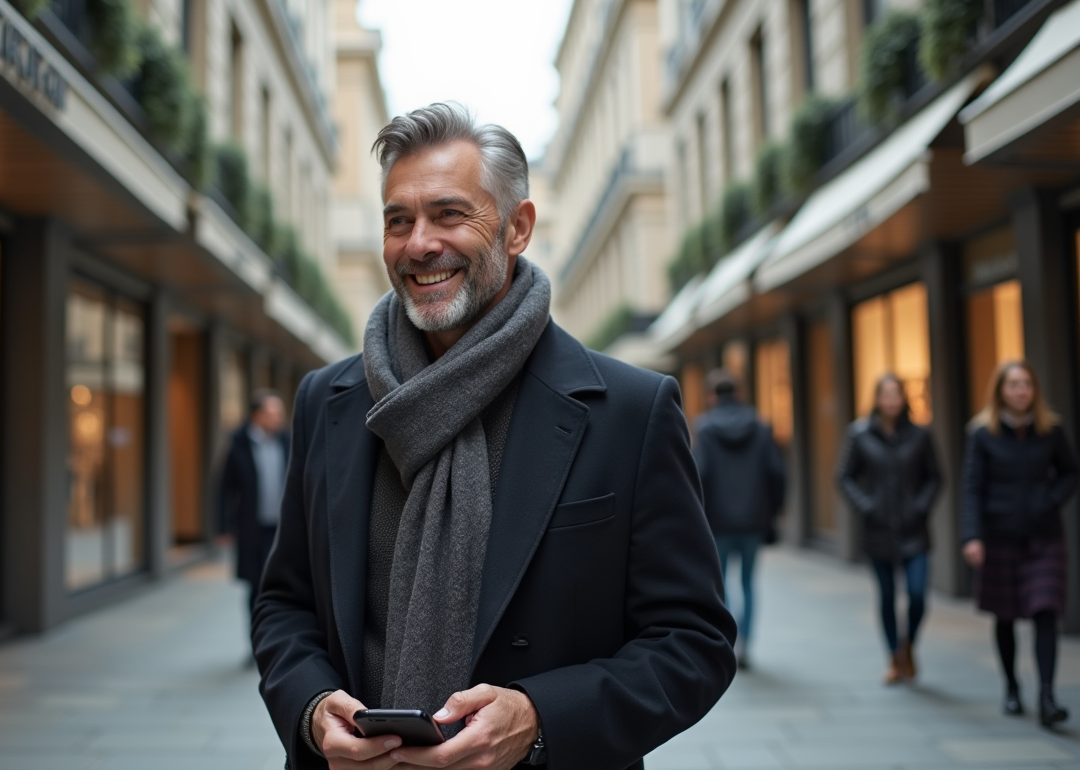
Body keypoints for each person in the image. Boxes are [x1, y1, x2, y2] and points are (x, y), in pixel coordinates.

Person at [252, 103, 736, 770]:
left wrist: (539, 720)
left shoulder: (630, 410)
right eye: (398, 221)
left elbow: (693, 642)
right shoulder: (326, 401)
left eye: (449, 214)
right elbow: (285, 603)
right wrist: (310, 710)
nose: (419, 244)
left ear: (518, 228)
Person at [961, 360, 1078, 728]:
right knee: (1006, 614)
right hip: (1000, 536)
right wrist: (972, 536)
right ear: (1001, 390)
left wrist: (1050, 499)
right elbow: (972, 488)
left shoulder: (1050, 430)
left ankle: (1047, 696)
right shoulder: (983, 433)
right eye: (1013, 384)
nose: (1021, 390)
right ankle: (1011, 686)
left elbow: (1069, 473)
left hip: (1045, 536)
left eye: (1026, 383)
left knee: (1046, 611)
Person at [837, 374, 940, 685]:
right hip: (878, 530)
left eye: (896, 394)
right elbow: (845, 477)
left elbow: (936, 477)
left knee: (917, 594)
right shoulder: (860, 434)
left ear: (904, 398)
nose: (891, 400)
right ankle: (894, 656)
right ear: (877, 398)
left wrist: (920, 506)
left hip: (914, 530)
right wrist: (867, 506)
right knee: (887, 597)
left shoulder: (920, 435)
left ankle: (909, 646)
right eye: (886, 394)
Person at [693, 369, 785, 671]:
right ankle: (746, 643)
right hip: (754, 519)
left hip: (717, 521)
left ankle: (728, 643)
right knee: (748, 582)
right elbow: (776, 472)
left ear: (712, 396)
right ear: (739, 393)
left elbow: (700, 474)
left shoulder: (705, 428)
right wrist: (774, 510)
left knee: (720, 585)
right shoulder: (760, 426)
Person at [218, 389, 291, 624]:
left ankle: (280, 631)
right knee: (256, 585)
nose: (279, 418)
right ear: (257, 416)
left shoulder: (287, 442)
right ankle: (257, 634)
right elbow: (224, 489)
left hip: (283, 529)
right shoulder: (239, 444)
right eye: (273, 413)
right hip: (253, 529)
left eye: (280, 413)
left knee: (284, 583)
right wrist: (222, 527)